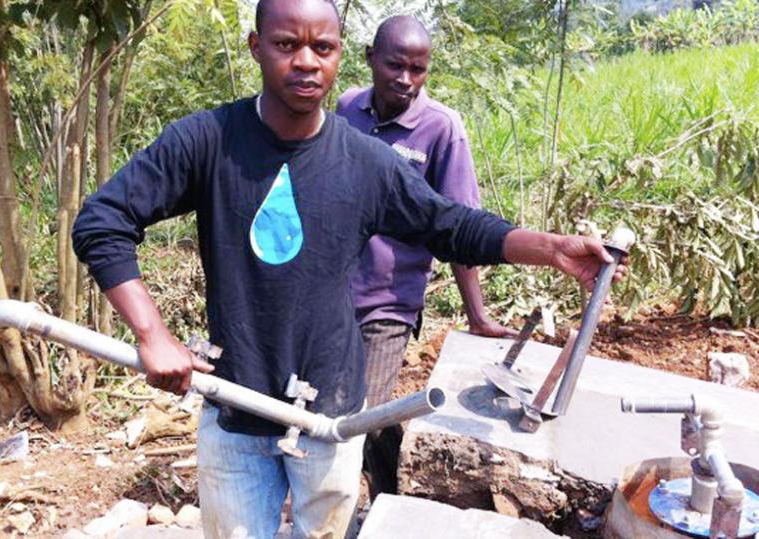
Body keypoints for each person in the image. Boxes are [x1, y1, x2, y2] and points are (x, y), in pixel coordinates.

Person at [72, 1, 626, 537]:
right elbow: (103, 220)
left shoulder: (364, 163)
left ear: (339, 57)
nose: (306, 61)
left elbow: (451, 225)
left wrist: (550, 248)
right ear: (256, 46)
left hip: (331, 408)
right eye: (287, 44)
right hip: (236, 404)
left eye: (322, 46)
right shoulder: (208, 142)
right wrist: (152, 333)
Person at [337, 16, 516, 496]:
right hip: (331, 295)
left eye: (418, 69)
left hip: (388, 302)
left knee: (362, 411)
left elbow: (458, 229)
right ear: (370, 58)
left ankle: (386, 500)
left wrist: (477, 314)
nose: (406, 79)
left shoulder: (441, 129)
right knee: (343, 409)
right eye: (396, 65)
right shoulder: (346, 108)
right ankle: (388, 488)